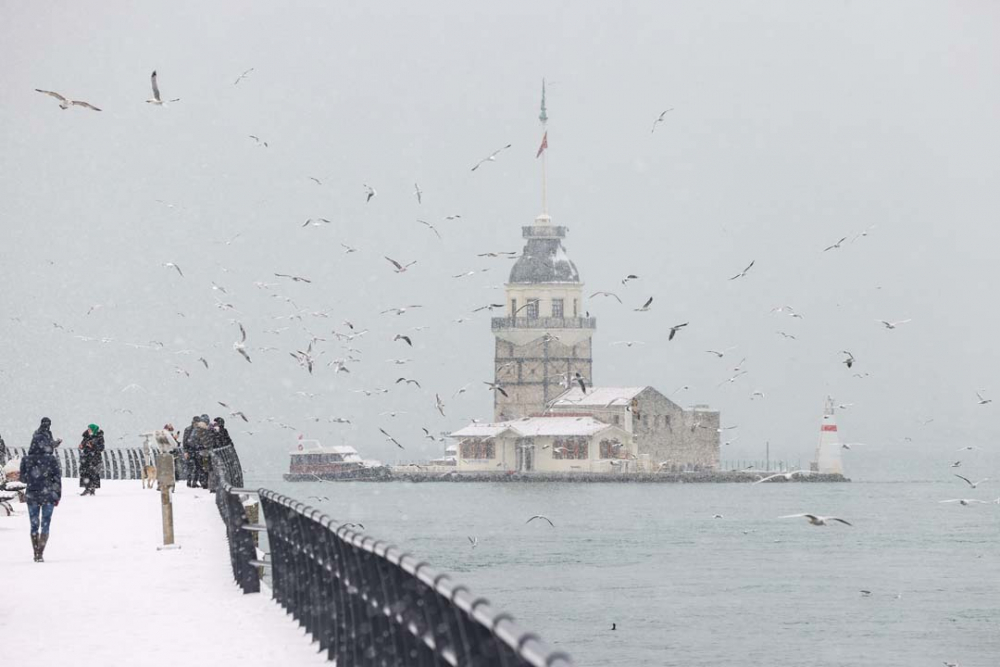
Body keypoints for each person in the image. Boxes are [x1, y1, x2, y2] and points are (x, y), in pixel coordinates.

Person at [20, 417, 63, 562]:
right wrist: (57, 495)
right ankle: (40, 553)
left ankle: (35, 552)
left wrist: (33, 477)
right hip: (48, 495)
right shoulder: (52, 460)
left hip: (32, 495)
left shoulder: (26, 459)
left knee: (34, 524)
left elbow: (23, 479)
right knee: (45, 523)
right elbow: (57, 479)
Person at [79, 423, 105, 496]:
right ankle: (87, 488)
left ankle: (92, 489)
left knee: (93, 473)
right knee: (84, 472)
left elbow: (101, 448)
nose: (89, 430)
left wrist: (93, 446)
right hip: (86, 457)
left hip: (95, 458)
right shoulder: (86, 436)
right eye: (88, 429)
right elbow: (83, 444)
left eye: (90, 429)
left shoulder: (99, 437)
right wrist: (82, 446)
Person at [181, 416, 200, 488]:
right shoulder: (189, 430)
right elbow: (185, 441)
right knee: (191, 466)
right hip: (192, 450)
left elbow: (184, 441)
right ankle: (190, 482)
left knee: (196, 466)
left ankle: (194, 482)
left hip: (195, 450)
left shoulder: (189, 429)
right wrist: (185, 451)